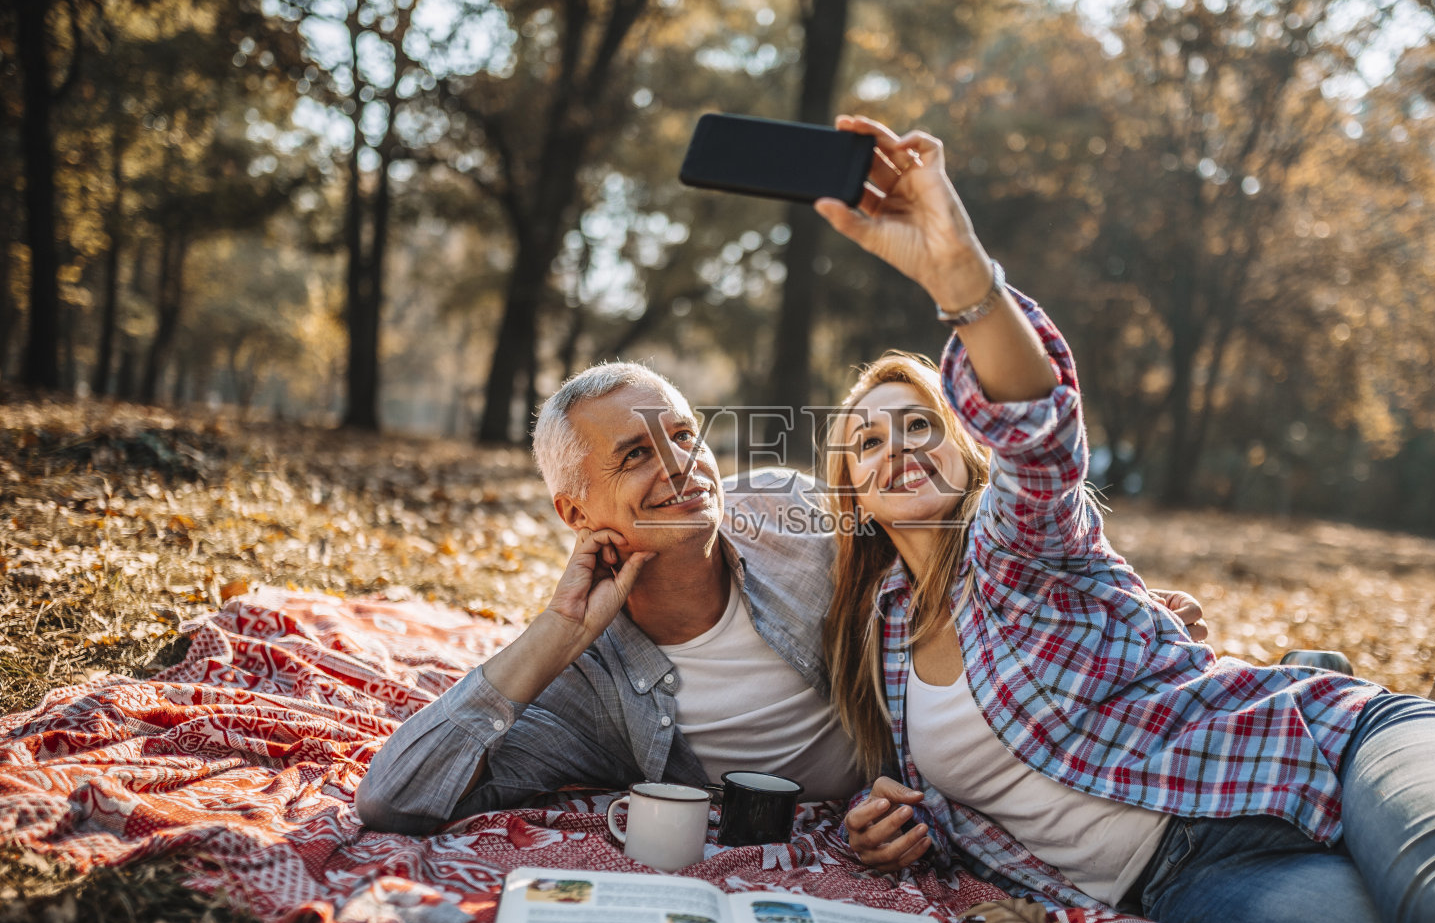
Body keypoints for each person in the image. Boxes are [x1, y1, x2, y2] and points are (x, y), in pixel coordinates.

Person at [814, 114, 1435, 923]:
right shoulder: (881, 633)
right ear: (854, 494)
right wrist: (906, 826)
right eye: (866, 440)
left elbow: (1039, 437)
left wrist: (960, 276)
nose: (898, 447)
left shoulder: (1013, 541)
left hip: (1333, 745)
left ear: (964, 450)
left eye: (921, 424)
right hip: (1198, 882)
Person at [353, 357, 1212, 833]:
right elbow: (395, 795)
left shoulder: (789, 513)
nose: (680, 466)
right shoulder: (587, 683)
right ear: (574, 509)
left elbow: (936, 514)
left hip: (978, 753)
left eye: (683, 435)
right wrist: (552, 635)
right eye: (634, 456)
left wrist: (1096, 598)